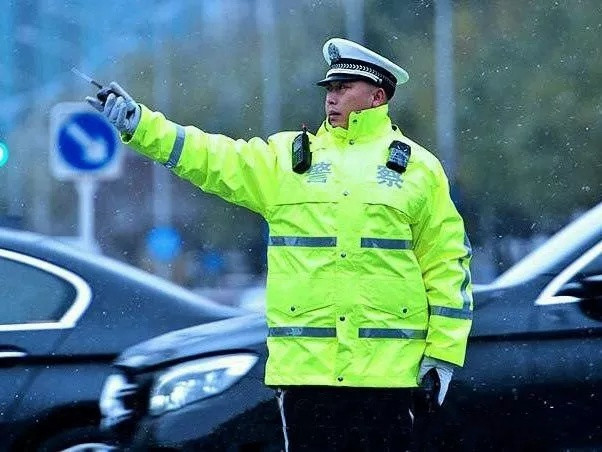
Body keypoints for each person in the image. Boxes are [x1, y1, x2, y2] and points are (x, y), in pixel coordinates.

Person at [86, 37, 473, 452]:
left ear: (377, 96)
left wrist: (442, 356)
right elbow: (211, 157)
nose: (331, 97)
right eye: (329, 89)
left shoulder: (419, 170)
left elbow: (447, 264)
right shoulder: (287, 161)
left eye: (343, 88)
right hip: (307, 376)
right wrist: (141, 126)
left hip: (387, 377)